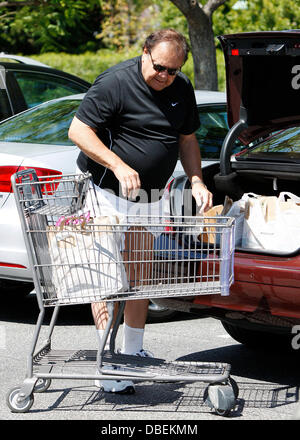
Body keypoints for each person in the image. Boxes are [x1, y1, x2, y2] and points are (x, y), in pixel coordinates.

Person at [68, 28, 213, 394]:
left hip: (150, 197)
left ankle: (133, 351)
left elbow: (187, 139)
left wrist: (196, 181)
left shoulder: (180, 90)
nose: (165, 76)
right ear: (144, 52)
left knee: (140, 276)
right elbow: (79, 130)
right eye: (160, 67)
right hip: (106, 194)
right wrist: (117, 165)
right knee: (103, 279)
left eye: (174, 71)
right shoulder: (115, 82)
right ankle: (106, 359)